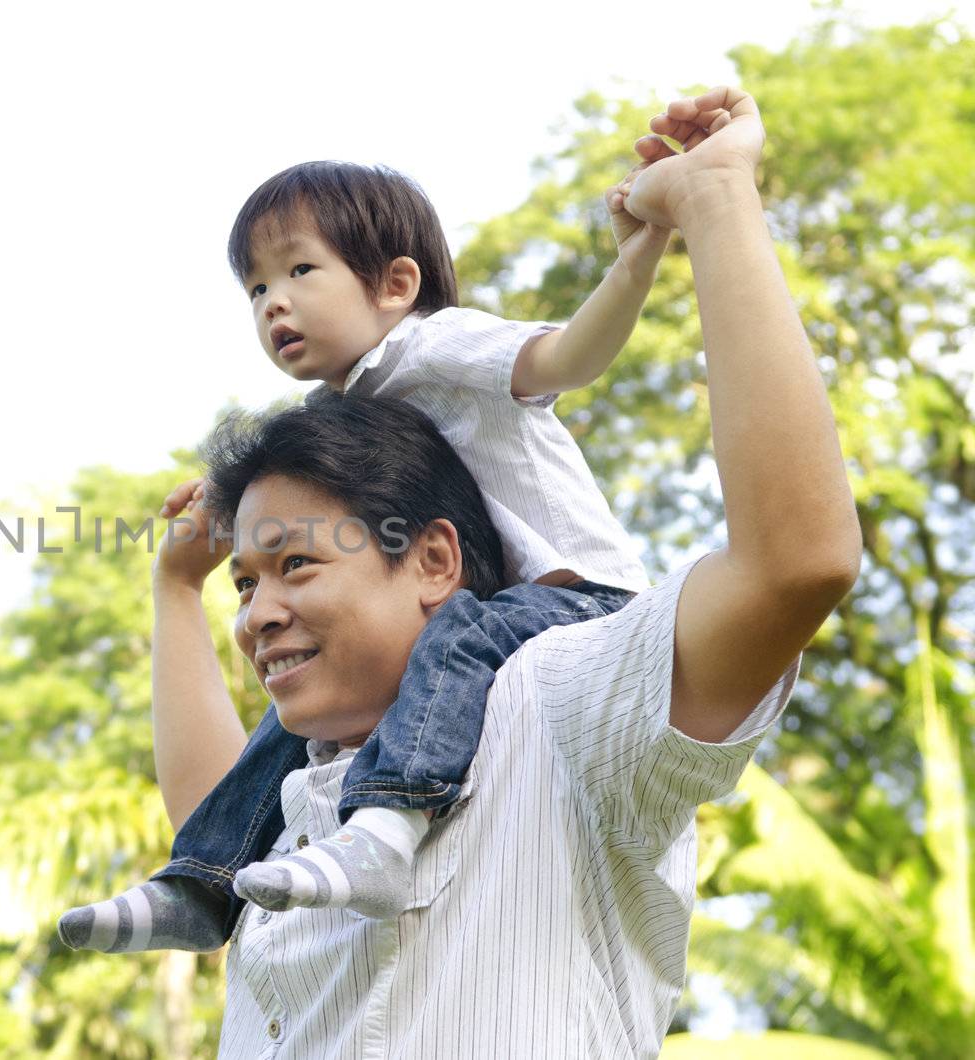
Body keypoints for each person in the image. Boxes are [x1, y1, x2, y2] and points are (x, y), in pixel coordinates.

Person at [95, 86, 858, 1057]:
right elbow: (205, 804)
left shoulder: (552, 706)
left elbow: (796, 562)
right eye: (244, 585)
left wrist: (711, 204)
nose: (257, 615)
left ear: (433, 559)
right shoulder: (295, 802)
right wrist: (175, 586)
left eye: (294, 563)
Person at [60, 136, 671, 947]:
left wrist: (638, 260)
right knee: (293, 714)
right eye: (255, 288)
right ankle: (203, 883)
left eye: (298, 270)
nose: (273, 302)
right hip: (485, 615)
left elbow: (568, 355)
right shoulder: (331, 421)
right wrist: (207, 538)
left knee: (456, 633)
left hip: (578, 600)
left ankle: (385, 829)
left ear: (395, 284)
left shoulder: (434, 344)